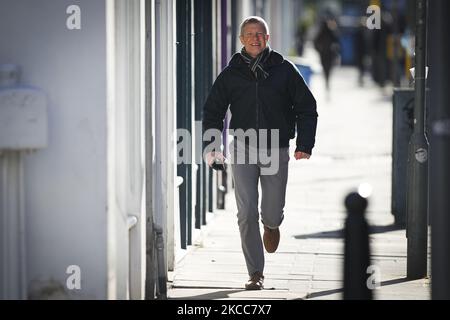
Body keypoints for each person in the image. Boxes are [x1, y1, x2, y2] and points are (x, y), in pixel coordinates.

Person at [202, 16, 318, 290]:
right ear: (241, 39)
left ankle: (272, 225)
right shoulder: (231, 73)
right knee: (245, 212)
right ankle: (256, 273)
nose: (255, 38)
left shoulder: (284, 70)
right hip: (242, 147)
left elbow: (307, 107)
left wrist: (304, 144)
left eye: (260, 34)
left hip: (275, 147)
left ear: (267, 39)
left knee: (272, 210)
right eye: (249, 34)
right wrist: (212, 149)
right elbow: (213, 111)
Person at [313, 17, 340, 94]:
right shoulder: (328, 32)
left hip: (325, 54)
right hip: (328, 54)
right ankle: (327, 81)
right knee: (327, 69)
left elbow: (315, 43)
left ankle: (327, 81)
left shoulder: (323, 33)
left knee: (326, 68)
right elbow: (337, 41)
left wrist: (319, 50)